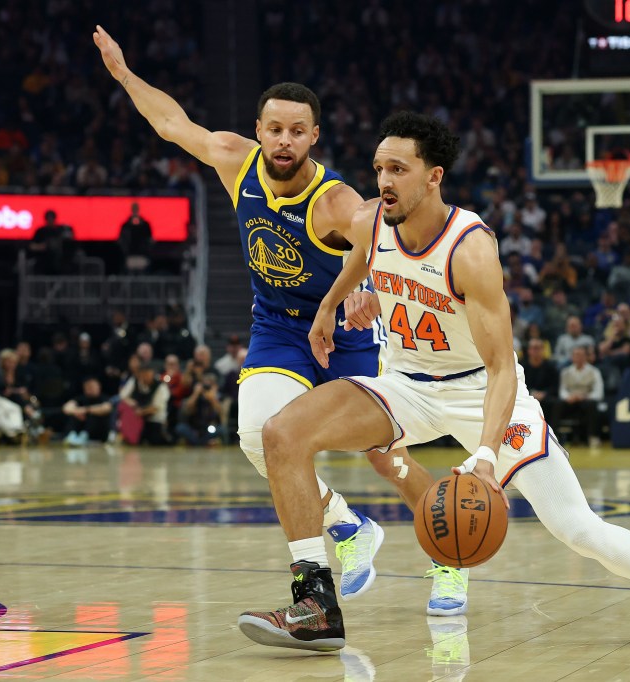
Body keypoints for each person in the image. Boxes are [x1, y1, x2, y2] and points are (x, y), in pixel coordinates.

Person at [237, 112, 630, 653]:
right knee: (281, 432)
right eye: (379, 168)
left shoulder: (469, 249)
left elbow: (500, 368)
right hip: (408, 386)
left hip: (483, 393)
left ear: (434, 176)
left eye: (398, 169)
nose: (383, 181)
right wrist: (335, 303)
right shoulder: (372, 219)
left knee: (577, 529)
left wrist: (487, 457)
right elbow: (363, 254)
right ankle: (315, 603)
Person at [93, 26, 459, 610]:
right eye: (274, 129)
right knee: (258, 435)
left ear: (314, 136)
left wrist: (365, 287)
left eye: (297, 131)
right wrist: (123, 74)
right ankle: (346, 526)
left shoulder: (333, 200)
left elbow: (385, 231)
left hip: (348, 335)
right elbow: (171, 123)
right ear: (258, 130)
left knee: (385, 458)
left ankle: (450, 557)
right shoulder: (236, 162)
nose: (284, 140)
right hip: (280, 329)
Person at [62, 377, 114, 445]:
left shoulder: (105, 398)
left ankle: (85, 436)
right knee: (74, 416)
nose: (90, 389)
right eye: (87, 387)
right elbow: (66, 408)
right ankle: (71, 436)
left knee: (94, 416)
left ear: (98, 386)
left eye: (92, 386)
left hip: (99, 432)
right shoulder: (81, 398)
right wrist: (77, 412)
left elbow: (106, 408)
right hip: (81, 428)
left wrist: (86, 410)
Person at [29, 210, 77, 275]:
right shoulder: (41, 231)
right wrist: (44, 246)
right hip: (44, 263)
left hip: (60, 264)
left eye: (52, 218)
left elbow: (70, 240)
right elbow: (32, 246)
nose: (50, 220)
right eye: (48, 218)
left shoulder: (61, 230)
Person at [119, 202, 153, 273]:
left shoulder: (145, 225)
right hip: (129, 256)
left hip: (142, 256)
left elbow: (150, 240)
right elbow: (122, 240)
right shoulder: (126, 226)